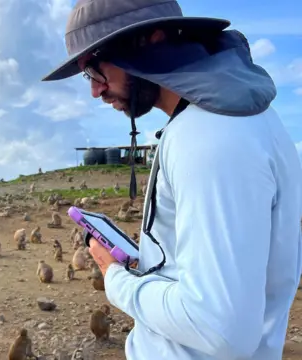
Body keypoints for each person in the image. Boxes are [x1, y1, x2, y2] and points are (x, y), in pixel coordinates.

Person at [43, 1, 302, 359]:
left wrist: (117, 279)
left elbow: (220, 329)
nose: (94, 91)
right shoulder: (247, 121)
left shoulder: (209, 137)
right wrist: (145, 264)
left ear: (151, 40)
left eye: (94, 71)